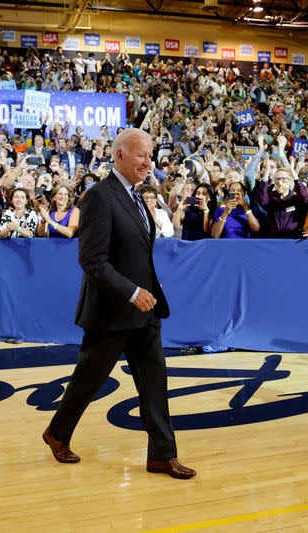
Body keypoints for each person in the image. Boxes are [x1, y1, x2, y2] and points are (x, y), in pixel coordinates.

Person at [43, 128, 195, 480]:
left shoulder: (139, 196)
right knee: (88, 381)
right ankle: (57, 433)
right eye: (141, 155)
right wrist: (130, 291)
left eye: (150, 154)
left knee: (155, 383)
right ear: (120, 156)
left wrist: (146, 291)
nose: (148, 162)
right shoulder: (98, 197)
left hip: (146, 311)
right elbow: (92, 261)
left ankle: (162, 455)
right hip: (112, 311)